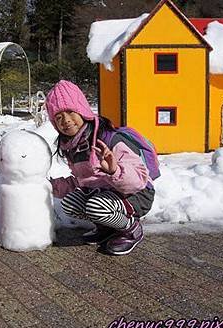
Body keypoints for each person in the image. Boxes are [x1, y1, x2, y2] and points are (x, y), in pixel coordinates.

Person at [47, 80, 155, 255]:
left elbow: (138, 181)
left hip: (136, 194)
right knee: (71, 203)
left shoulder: (110, 138)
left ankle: (131, 229)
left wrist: (114, 170)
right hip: (106, 195)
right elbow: (84, 182)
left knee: (96, 206)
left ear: (82, 109)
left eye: (70, 112)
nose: (66, 120)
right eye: (58, 117)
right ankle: (107, 228)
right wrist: (50, 186)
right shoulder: (74, 146)